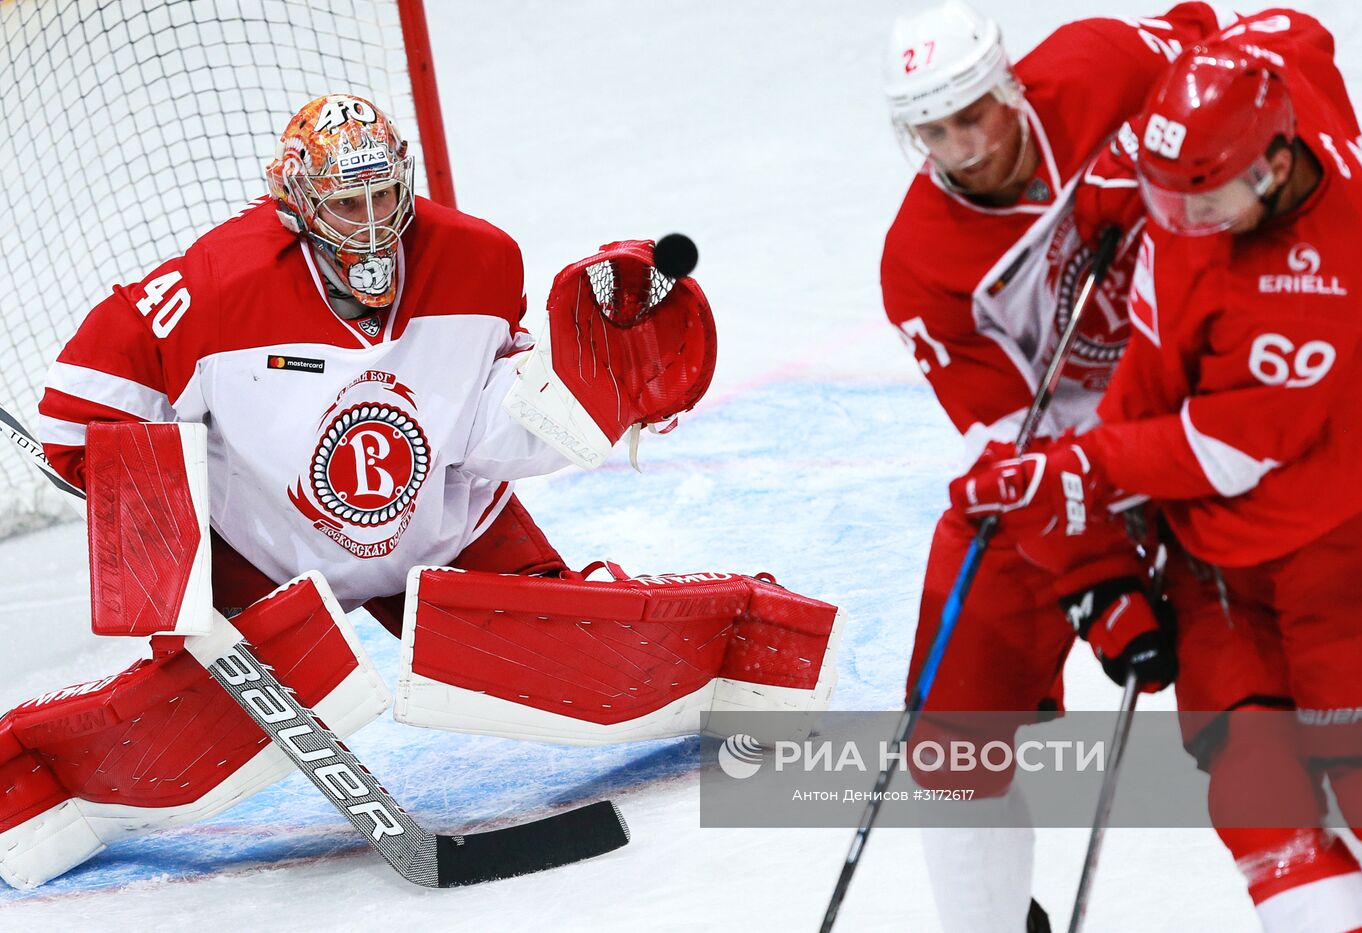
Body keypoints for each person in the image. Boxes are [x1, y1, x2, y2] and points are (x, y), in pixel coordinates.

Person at [0, 94, 841, 889]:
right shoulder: (215, 284)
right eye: (344, 203)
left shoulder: (479, 258)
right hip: (265, 549)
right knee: (203, 723)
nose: (370, 225)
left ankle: (747, 659)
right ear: (295, 200)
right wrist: (144, 512)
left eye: (382, 195)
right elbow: (81, 413)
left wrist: (589, 402)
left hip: (444, 527)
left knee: (573, 652)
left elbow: (481, 430)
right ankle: (30, 784)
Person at [950, 11, 1362, 932]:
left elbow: (1221, 451)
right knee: (1255, 791)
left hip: (1342, 547)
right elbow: (1293, 31)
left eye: (1203, 205)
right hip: (1215, 557)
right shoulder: (1256, 105)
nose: (1180, 225)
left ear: (1275, 170)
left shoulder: (1318, 279)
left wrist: (1077, 467)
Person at [880, 3, 1224, 929]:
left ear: (1010, 84)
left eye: (974, 115)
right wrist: (1099, 579)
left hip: (1212, 413)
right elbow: (1007, 448)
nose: (962, 147)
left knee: (1279, 694)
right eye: (934, 130)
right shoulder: (919, 263)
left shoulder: (1101, 63)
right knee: (950, 728)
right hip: (1066, 469)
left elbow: (1220, 51)